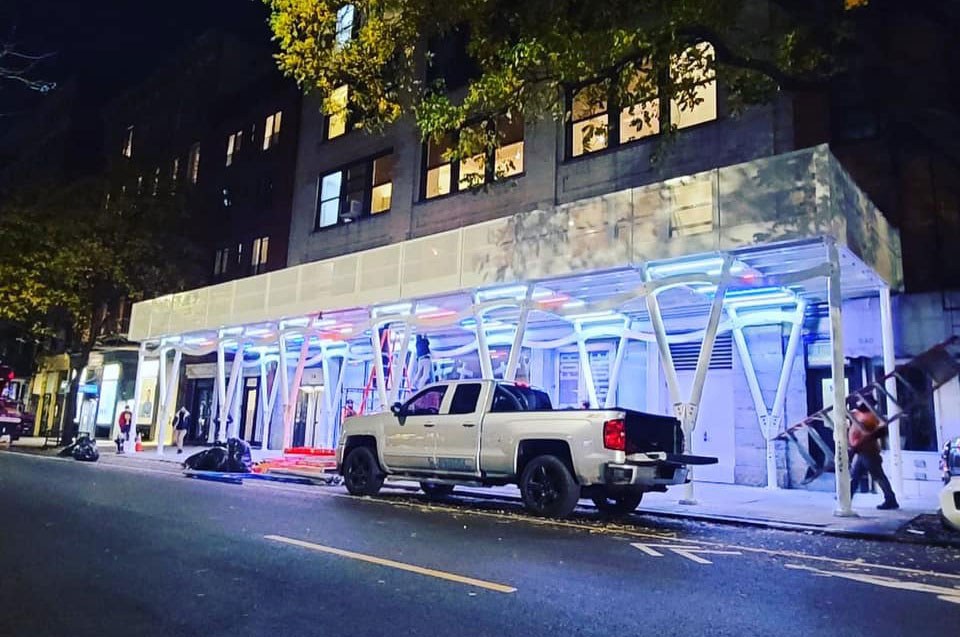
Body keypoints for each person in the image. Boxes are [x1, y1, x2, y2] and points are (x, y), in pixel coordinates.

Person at [848, 405, 899, 510]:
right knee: (855, 477)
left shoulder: (869, 417)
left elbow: (876, 431)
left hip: (868, 452)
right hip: (862, 451)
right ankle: (846, 498)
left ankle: (891, 500)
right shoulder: (860, 414)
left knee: (878, 476)